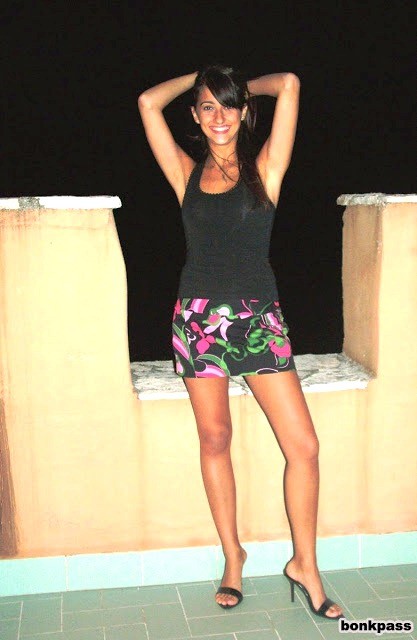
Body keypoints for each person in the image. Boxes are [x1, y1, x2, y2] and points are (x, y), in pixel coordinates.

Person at [138, 65, 344, 619]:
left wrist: (236, 85)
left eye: (228, 105)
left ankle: (305, 564)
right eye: (207, 106)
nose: (219, 116)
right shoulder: (185, 173)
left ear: (245, 111)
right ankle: (233, 557)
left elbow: (292, 83)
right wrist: (202, 77)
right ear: (194, 115)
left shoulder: (265, 169)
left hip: (258, 322)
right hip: (198, 323)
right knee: (215, 438)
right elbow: (148, 102)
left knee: (303, 446)